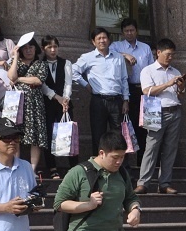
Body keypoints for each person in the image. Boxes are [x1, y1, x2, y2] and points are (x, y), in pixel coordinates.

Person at [72, 27, 130, 158]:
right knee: (98, 135)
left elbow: (124, 79)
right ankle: (98, 165)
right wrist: (85, 84)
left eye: (104, 38)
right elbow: (73, 71)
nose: (102, 41)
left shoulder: (118, 58)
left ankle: (120, 166)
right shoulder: (88, 57)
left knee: (118, 135)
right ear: (93, 42)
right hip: (98, 101)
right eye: (99, 38)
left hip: (117, 101)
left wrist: (126, 100)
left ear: (109, 40)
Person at [136, 38, 183, 194]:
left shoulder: (175, 71)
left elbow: (180, 95)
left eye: (172, 55)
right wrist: (168, 84)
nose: (171, 58)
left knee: (170, 149)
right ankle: (143, 183)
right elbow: (147, 91)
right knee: (152, 147)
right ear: (158, 52)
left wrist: (181, 88)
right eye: (168, 54)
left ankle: (165, 183)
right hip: (155, 110)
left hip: (174, 110)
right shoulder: (147, 70)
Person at [110, 17, 153, 158]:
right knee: (126, 128)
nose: (129, 33)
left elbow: (152, 68)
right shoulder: (117, 46)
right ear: (122, 32)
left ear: (137, 31)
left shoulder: (145, 48)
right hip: (125, 90)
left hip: (144, 90)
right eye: (126, 31)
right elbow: (109, 54)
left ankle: (143, 164)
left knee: (143, 128)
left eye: (132, 30)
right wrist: (126, 55)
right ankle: (125, 162)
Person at [7, 38, 49, 171]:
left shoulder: (40, 64)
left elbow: (38, 80)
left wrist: (19, 79)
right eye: (25, 48)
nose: (29, 50)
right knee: (15, 135)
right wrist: (15, 58)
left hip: (35, 104)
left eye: (31, 47)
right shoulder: (17, 63)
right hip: (16, 104)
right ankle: (16, 166)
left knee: (35, 137)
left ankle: (32, 169)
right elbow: (10, 76)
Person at [39, 35, 73, 179]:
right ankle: (52, 168)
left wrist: (65, 99)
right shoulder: (39, 64)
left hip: (64, 104)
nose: (53, 50)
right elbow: (42, 85)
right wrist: (56, 97)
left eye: (55, 47)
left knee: (68, 133)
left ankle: (73, 165)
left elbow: (68, 83)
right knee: (48, 133)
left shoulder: (66, 63)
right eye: (49, 47)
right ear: (43, 49)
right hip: (47, 103)